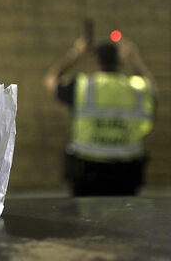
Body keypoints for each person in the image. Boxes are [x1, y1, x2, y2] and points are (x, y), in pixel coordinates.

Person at [44, 37, 157, 196]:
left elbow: (51, 80)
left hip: (87, 172)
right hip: (127, 172)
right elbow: (153, 90)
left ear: (95, 62)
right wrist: (135, 60)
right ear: (121, 63)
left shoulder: (83, 86)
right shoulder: (137, 89)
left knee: (83, 219)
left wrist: (76, 53)